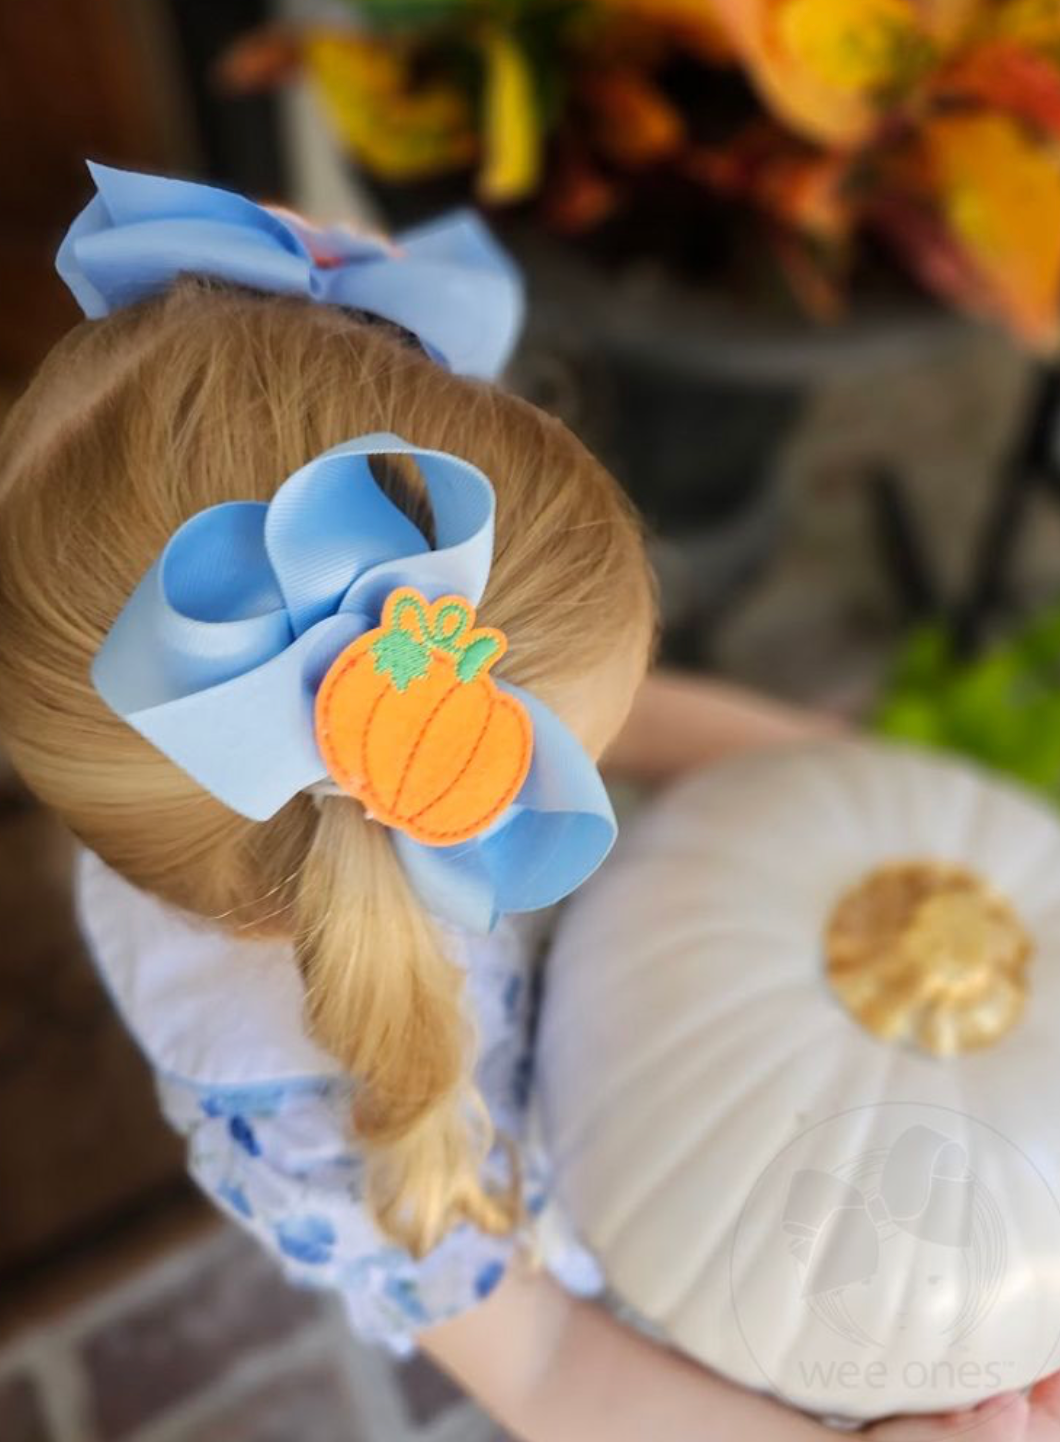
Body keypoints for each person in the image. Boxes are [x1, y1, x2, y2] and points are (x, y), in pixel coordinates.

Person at [0, 164, 1055, 1442]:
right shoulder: (321, 1124)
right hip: (651, 1219)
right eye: (540, 769)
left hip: (674, 990)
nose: (590, 762)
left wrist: (838, 777)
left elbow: (635, 712)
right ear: (422, 776)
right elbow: (552, 1356)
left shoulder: (247, 748)